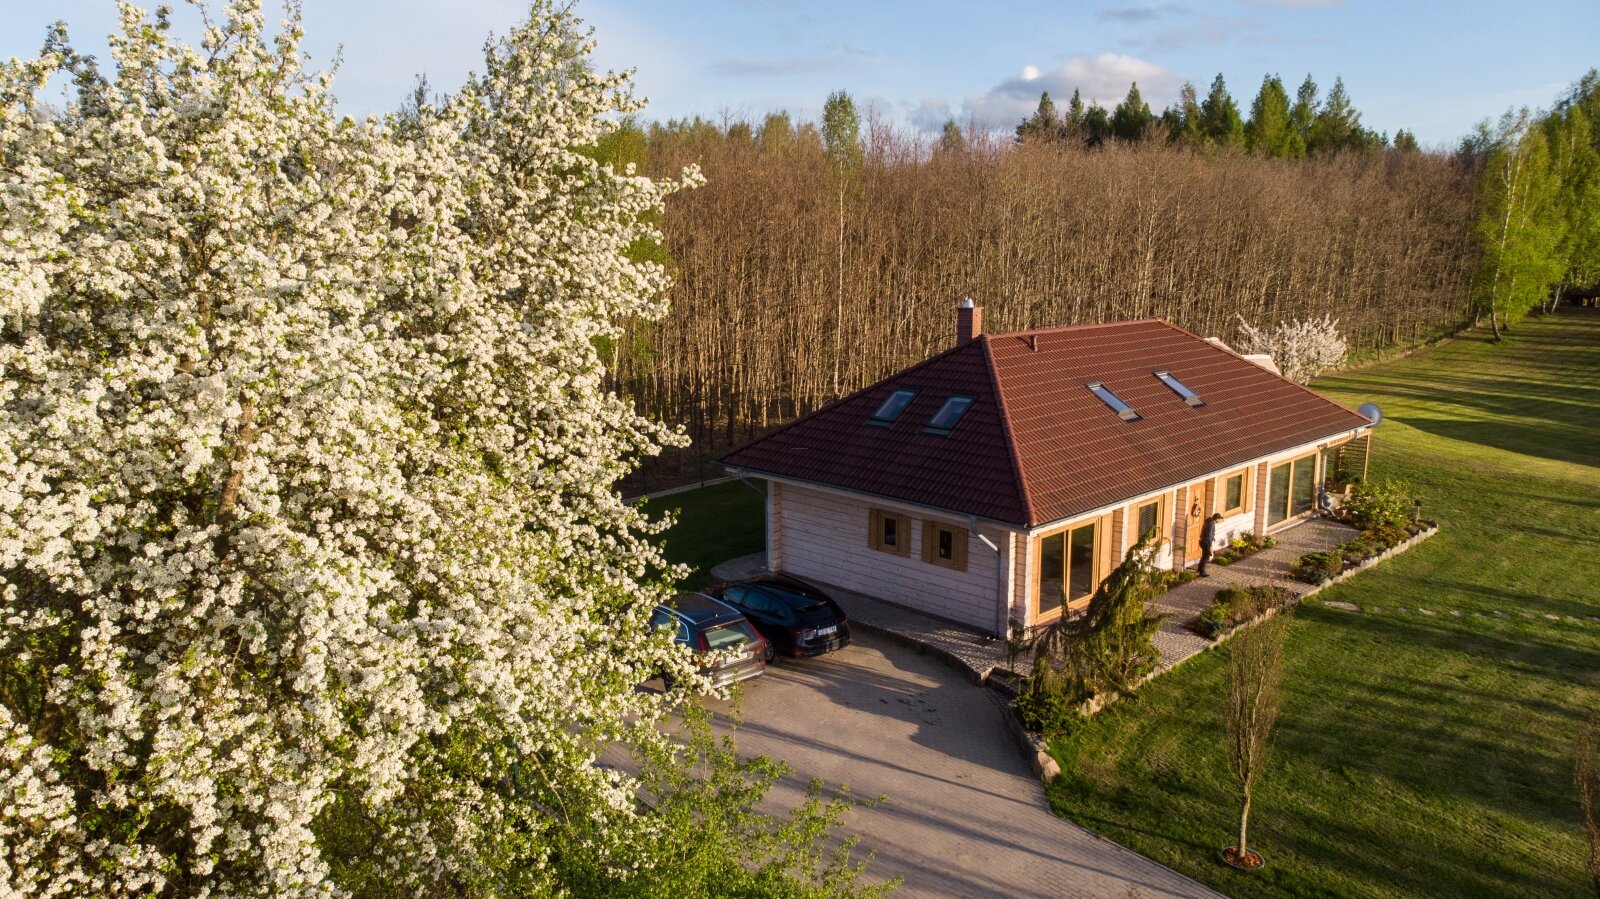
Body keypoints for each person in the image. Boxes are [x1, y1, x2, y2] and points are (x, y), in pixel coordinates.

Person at [1198, 512, 1223, 577]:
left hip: (1202, 541)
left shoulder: (1208, 521)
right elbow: (1208, 536)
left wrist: (1213, 537)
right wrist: (1210, 546)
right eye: (1219, 519)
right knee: (1206, 556)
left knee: (1204, 556)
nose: (1219, 520)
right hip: (1206, 542)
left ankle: (1199, 569)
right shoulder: (1211, 524)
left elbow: (1208, 533)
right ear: (1216, 519)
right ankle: (1202, 572)